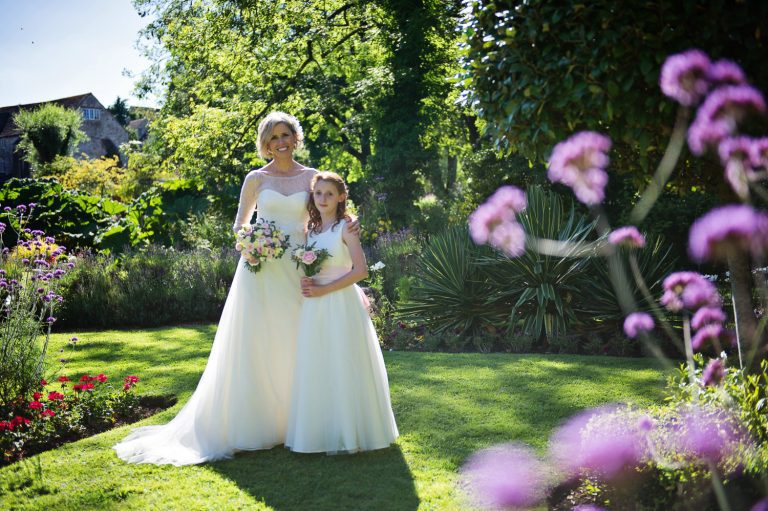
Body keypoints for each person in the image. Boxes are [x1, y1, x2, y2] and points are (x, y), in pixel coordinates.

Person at [114, 112, 356, 465]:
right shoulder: (255, 179)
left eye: (286, 134)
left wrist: (350, 221)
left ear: (295, 137)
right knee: (257, 340)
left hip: (299, 268)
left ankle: (299, 422)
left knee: (297, 340)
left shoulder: (310, 177)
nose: (281, 142)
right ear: (265, 143)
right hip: (260, 268)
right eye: (274, 137)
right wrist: (253, 243)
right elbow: (239, 225)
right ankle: (255, 424)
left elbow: (327, 208)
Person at [285, 171, 399, 453]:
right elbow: (312, 266)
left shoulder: (346, 228)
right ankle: (322, 430)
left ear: (341, 198)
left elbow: (360, 271)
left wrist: (326, 289)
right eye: (318, 193)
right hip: (315, 306)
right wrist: (308, 280)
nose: (322, 199)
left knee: (344, 362)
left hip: (340, 303)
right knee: (319, 364)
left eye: (329, 194)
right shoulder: (311, 231)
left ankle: (352, 432)